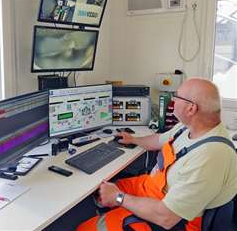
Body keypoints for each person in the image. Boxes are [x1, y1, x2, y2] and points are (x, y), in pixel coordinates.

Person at [77, 78, 237, 231]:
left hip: (171, 219)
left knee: (85, 227)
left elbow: (166, 218)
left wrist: (119, 198)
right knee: (104, 190)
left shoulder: (210, 156)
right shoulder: (188, 127)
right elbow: (158, 140)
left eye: (176, 96)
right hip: (155, 188)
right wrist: (133, 139)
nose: (172, 101)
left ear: (191, 109)